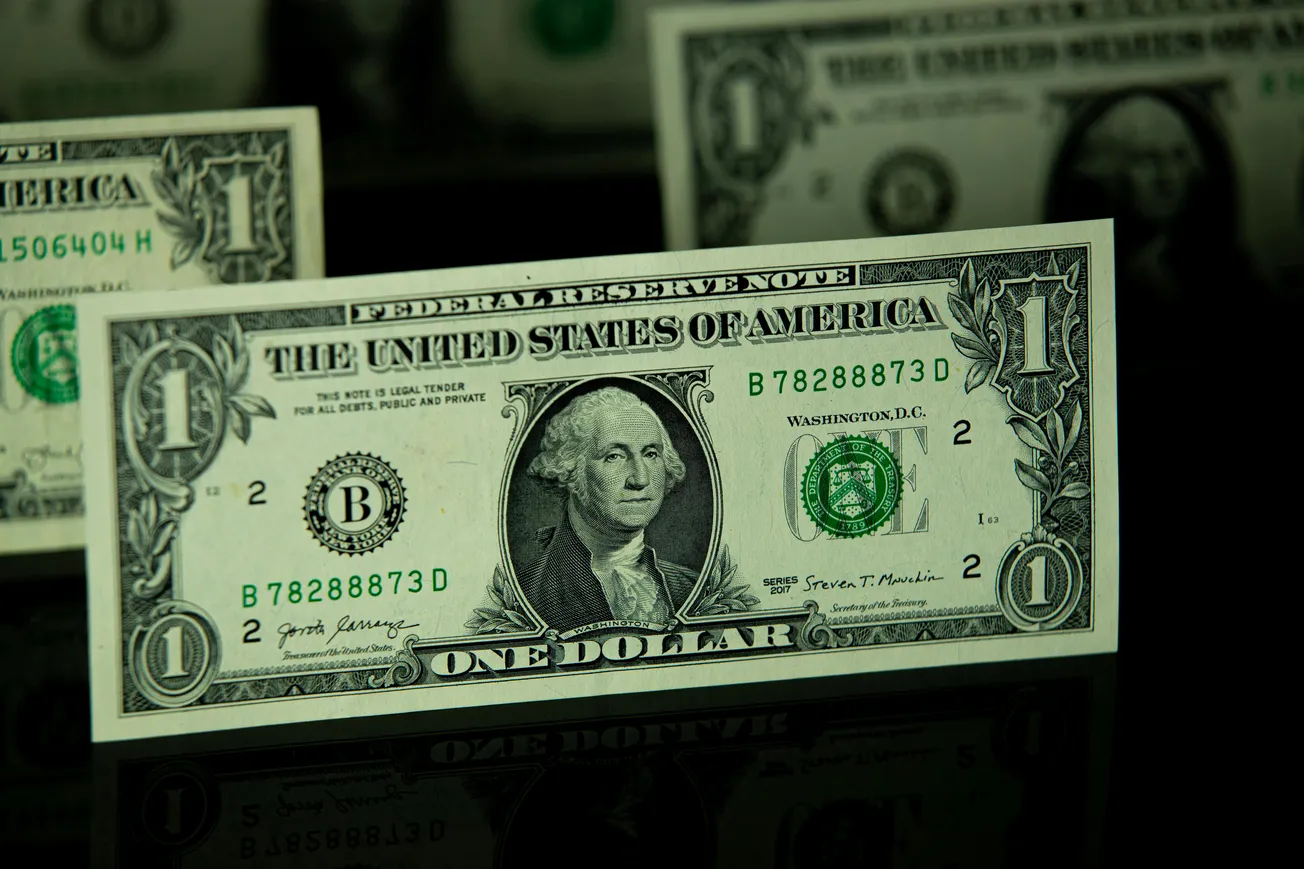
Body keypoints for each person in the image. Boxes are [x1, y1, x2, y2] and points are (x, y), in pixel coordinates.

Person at [518, 386, 698, 633]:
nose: (640, 479)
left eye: (651, 454)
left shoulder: (691, 586)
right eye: (614, 456)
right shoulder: (526, 595)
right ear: (571, 469)